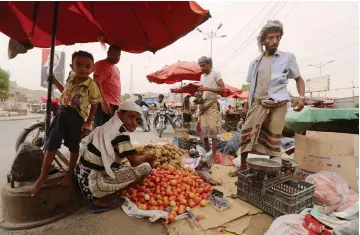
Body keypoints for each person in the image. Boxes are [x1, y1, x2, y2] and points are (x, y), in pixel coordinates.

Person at [230, 20, 305, 176]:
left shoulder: (287, 57)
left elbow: (299, 79)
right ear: (263, 40)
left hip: (279, 104)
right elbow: (252, 86)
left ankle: (271, 174)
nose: (275, 41)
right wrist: (247, 104)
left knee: (274, 139)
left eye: (277, 37)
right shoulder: (255, 62)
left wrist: (301, 97)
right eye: (271, 37)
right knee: (247, 135)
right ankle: (242, 168)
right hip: (258, 104)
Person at [30, 51, 103, 195]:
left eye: (87, 66)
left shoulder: (91, 85)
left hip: (76, 118)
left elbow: (95, 105)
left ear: (92, 69)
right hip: (60, 114)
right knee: (51, 144)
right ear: (72, 66)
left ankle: (70, 175)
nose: (83, 69)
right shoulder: (71, 77)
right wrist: (55, 82)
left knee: (74, 147)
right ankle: (42, 177)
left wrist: (89, 122)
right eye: (79, 65)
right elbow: (65, 93)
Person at [76, 101, 154, 213]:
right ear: (121, 114)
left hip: (83, 180)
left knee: (121, 166)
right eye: (131, 117)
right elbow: (135, 162)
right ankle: (101, 200)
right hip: (94, 187)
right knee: (145, 167)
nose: (134, 123)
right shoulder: (121, 131)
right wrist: (148, 157)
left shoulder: (109, 125)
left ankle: (102, 194)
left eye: (136, 119)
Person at [197, 56, 225, 160]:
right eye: (200, 66)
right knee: (204, 132)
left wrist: (207, 88)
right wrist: (199, 94)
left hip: (212, 105)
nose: (201, 68)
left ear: (209, 64)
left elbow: (222, 89)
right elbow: (204, 91)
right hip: (203, 105)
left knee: (213, 131)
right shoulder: (202, 76)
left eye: (203, 65)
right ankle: (207, 153)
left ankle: (213, 155)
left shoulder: (216, 74)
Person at [94, 45, 121, 127]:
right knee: (102, 132)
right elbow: (96, 83)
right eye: (115, 54)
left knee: (111, 132)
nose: (117, 57)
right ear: (108, 53)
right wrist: (103, 102)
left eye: (119, 55)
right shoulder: (101, 64)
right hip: (105, 104)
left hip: (114, 105)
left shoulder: (116, 68)